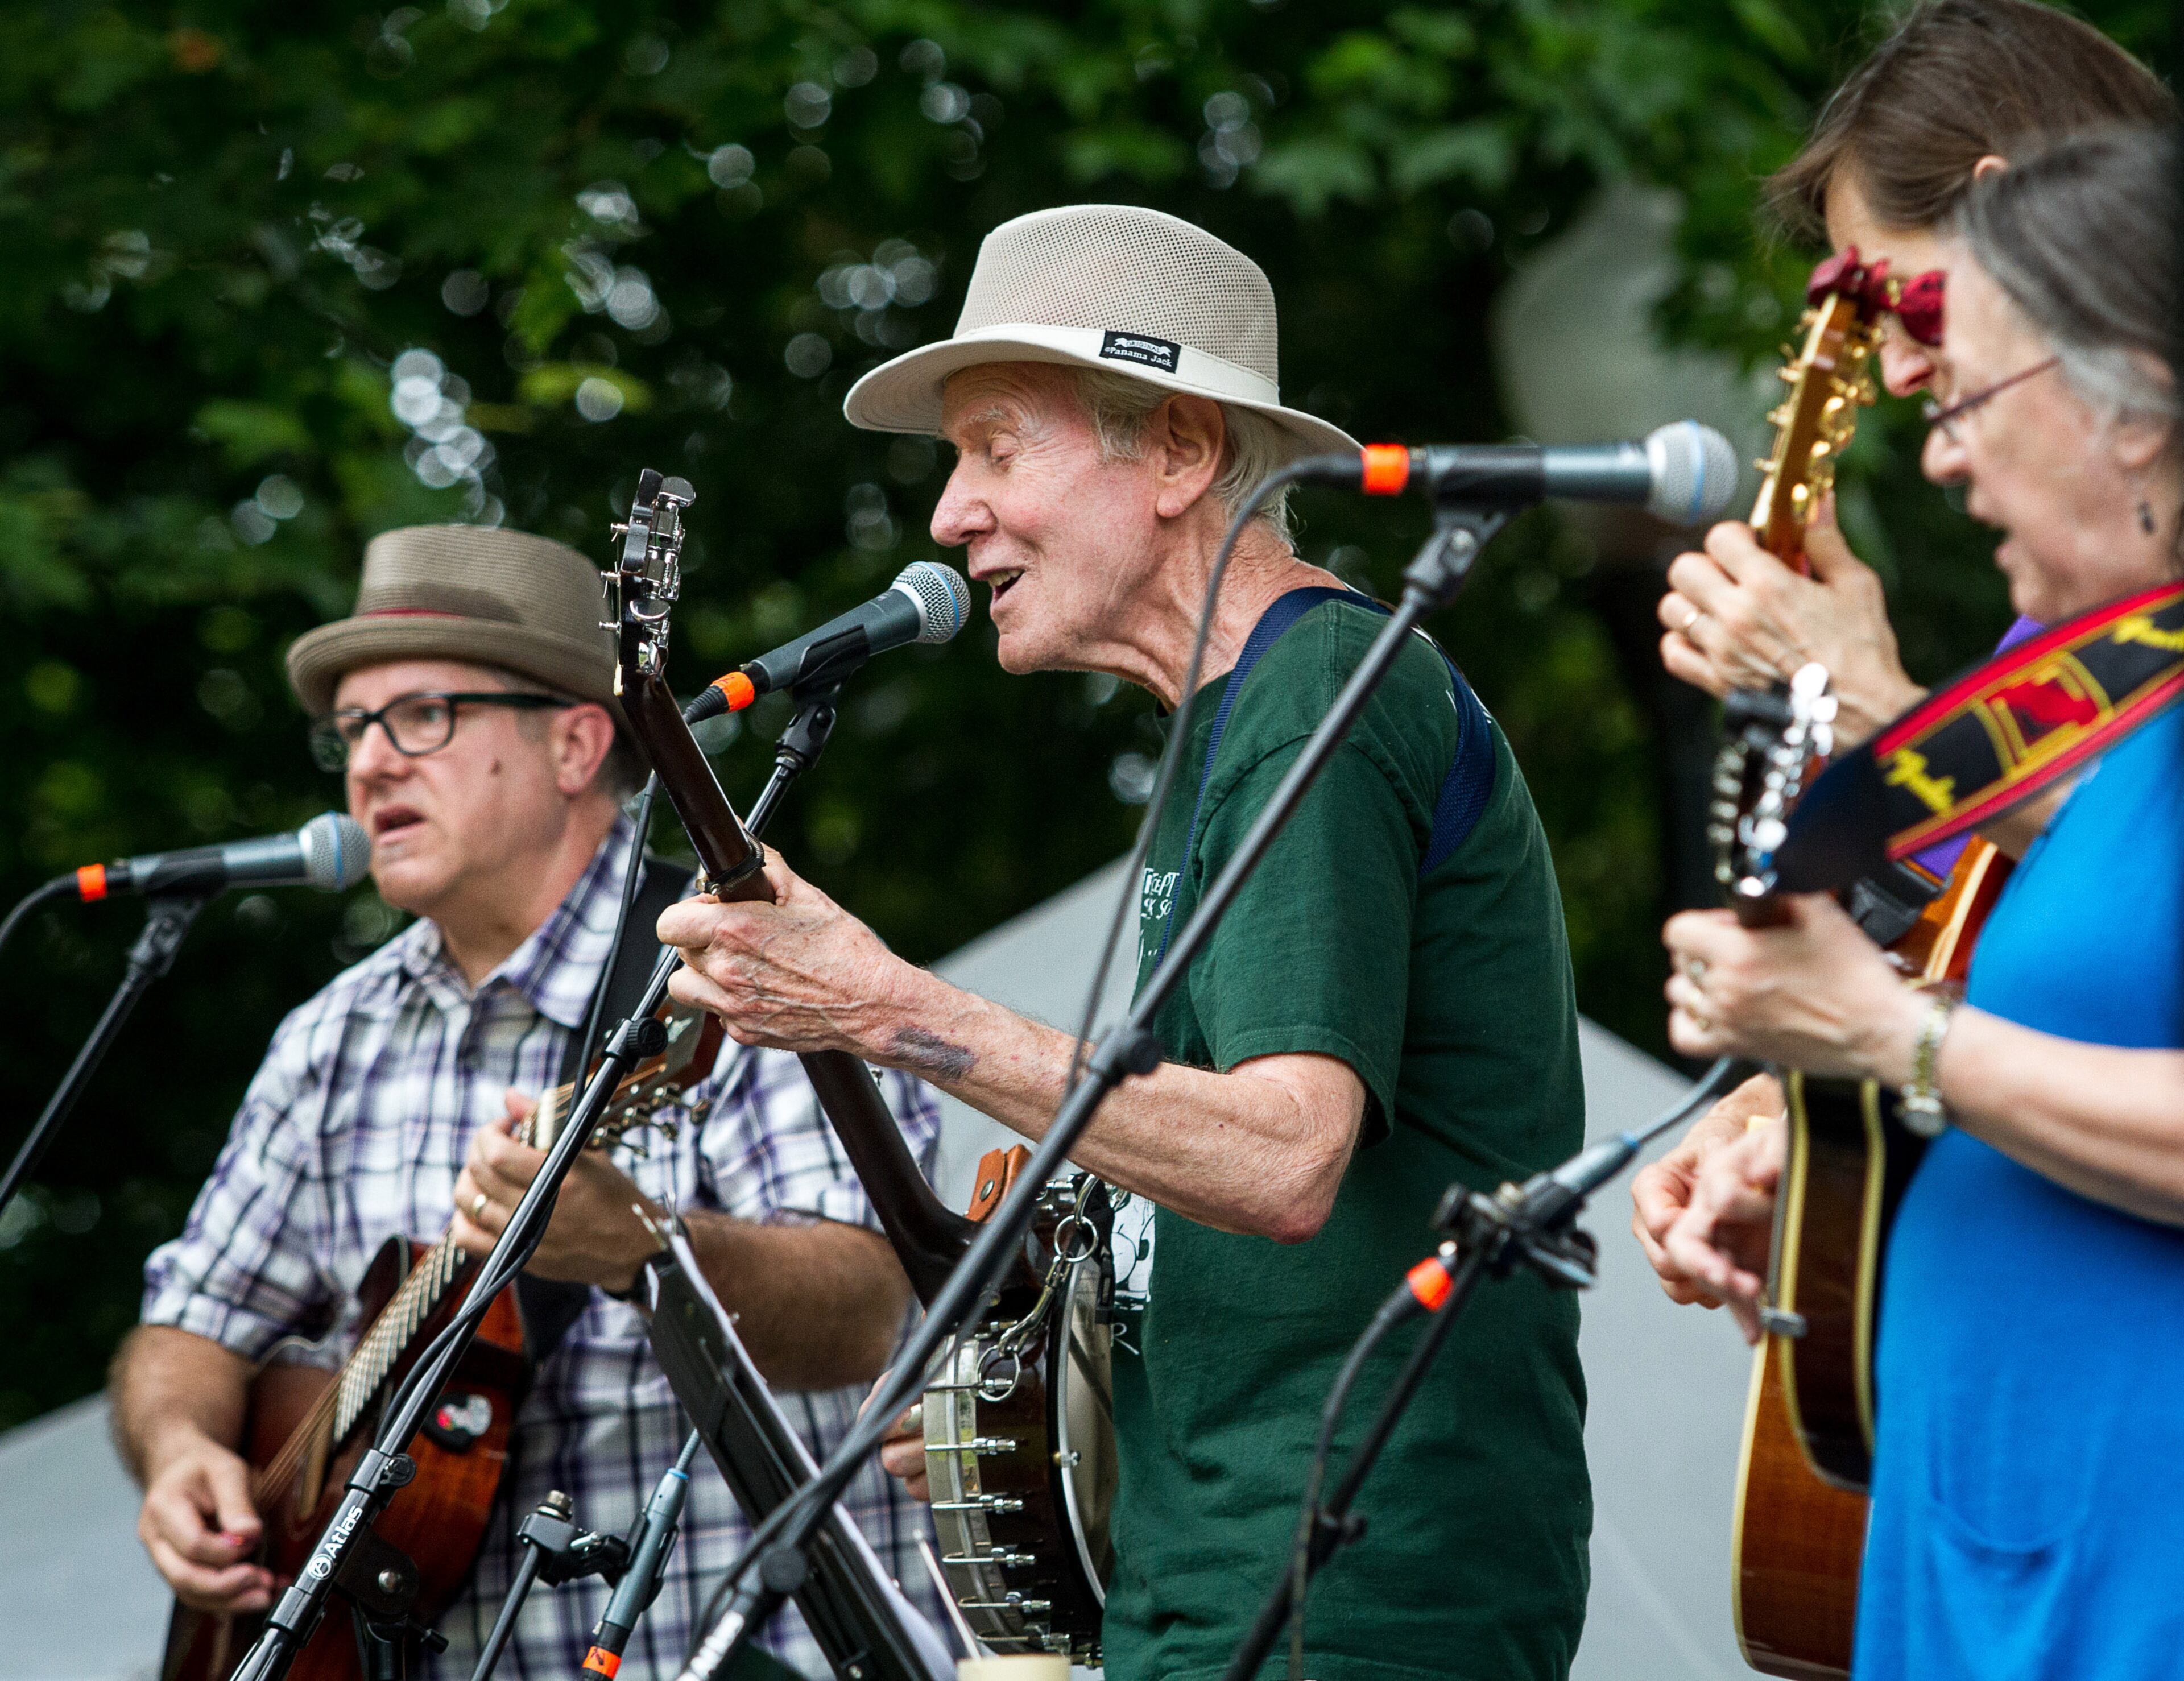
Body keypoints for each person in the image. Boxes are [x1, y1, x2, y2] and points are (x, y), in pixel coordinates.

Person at [656, 204, 1592, 1680]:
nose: (950, 514)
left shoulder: (1320, 694)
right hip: (1215, 1585)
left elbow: (1287, 1156)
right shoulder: (1229, 729)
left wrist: (883, 1006)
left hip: (1349, 1598)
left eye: (996, 447)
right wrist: (1015, 1409)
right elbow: (1198, 1202)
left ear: (1178, 452)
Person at [109, 526, 941, 1679]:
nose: (370, 764)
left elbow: (864, 1314)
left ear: (574, 743)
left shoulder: (754, 970)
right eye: (352, 730)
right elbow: (187, 1323)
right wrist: (181, 1448)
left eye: (421, 715)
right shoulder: (328, 1041)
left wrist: (646, 1246)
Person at [1662, 127, 2184, 1678]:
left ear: (2137, 397)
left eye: (1973, 394)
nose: (1940, 447)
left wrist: (1895, 1039)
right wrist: (1842, 1182)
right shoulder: (2114, 701)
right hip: (1978, 1566)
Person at [1631, 0, 2175, 1303]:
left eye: (1890, 293)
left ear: (2002, 220)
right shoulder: (2048, 616)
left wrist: (1872, 697)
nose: (1884, 368)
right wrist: (1764, 1112)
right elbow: (1937, 961)